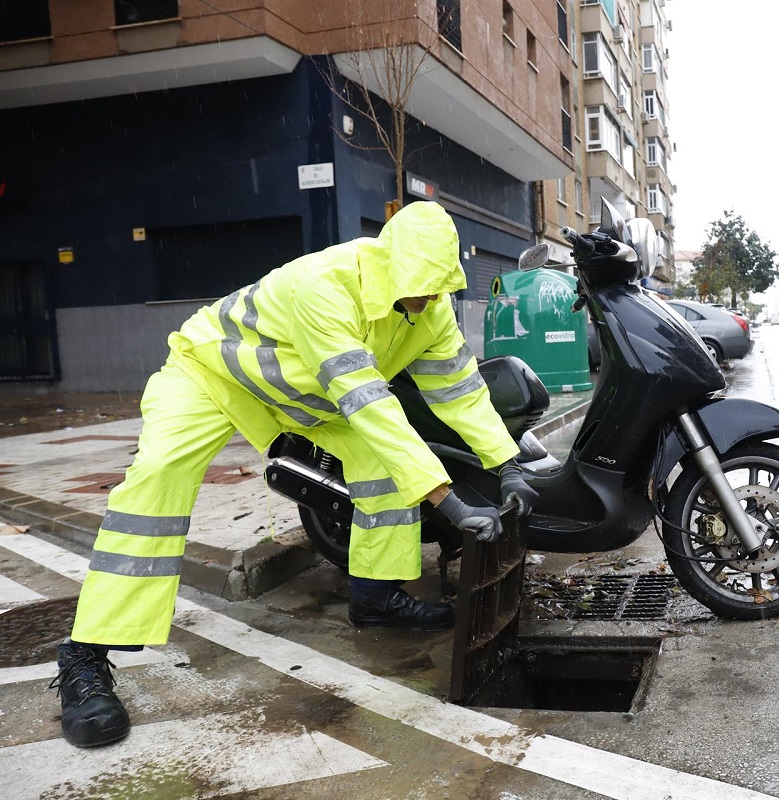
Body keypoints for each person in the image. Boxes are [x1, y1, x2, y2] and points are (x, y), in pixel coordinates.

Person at [50, 201, 539, 747]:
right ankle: (85, 655)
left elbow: (460, 391)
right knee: (158, 477)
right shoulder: (325, 285)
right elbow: (368, 402)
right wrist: (448, 501)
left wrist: (508, 464)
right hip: (212, 373)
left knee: (384, 465)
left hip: (301, 397)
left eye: (438, 286)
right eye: (419, 285)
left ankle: (374, 597)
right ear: (390, 265)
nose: (427, 298)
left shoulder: (430, 310)